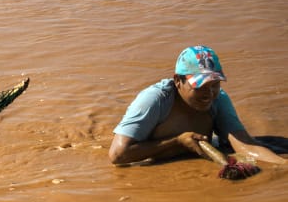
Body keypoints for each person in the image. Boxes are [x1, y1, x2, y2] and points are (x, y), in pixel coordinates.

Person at [109, 45, 286, 166]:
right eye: (200, 85)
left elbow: (246, 145)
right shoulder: (154, 100)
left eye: (215, 84)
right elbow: (118, 155)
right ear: (178, 81)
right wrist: (177, 141)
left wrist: (283, 164)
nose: (209, 93)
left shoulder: (219, 98)